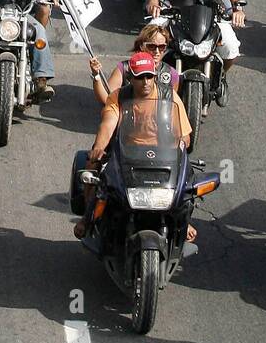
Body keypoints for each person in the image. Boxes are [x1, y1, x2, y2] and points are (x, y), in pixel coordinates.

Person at [77, 52, 194, 239]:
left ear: (155, 75)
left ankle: (183, 220)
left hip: (163, 155)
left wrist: (180, 143)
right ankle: (87, 218)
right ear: (131, 78)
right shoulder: (118, 97)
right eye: (140, 77)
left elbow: (185, 136)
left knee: (187, 183)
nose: (145, 82)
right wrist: (98, 148)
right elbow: (107, 125)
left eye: (149, 76)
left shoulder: (169, 96)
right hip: (126, 154)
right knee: (94, 173)